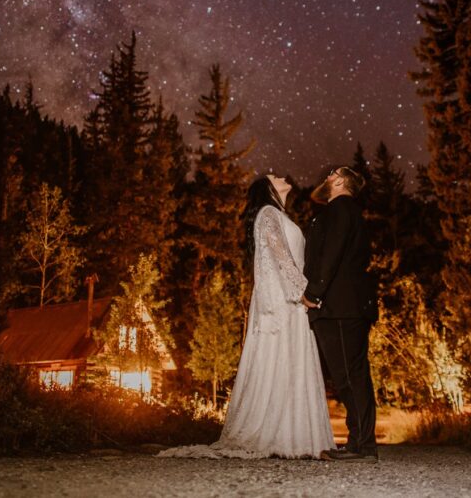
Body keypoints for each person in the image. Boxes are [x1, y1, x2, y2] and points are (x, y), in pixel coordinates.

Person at [159, 174, 335, 459]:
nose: (281, 175)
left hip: (292, 299)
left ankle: (295, 435)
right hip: (283, 300)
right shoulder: (267, 213)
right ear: (267, 188)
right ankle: (275, 434)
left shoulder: (278, 214)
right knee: (280, 359)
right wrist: (304, 292)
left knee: (292, 362)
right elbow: (280, 257)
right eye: (274, 176)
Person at [302, 165, 379, 462]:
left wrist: (314, 292)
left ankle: (362, 444)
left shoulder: (340, 209)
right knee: (350, 374)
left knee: (351, 374)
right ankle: (360, 441)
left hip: (340, 306)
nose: (327, 175)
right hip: (345, 305)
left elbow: (331, 253)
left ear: (343, 181)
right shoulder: (346, 211)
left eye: (333, 173)